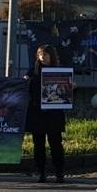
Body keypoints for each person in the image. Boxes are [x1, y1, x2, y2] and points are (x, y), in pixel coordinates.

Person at [25, 44, 69, 183]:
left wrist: (71, 87)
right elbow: (26, 89)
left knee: (55, 143)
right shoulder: (33, 71)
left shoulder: (58, 71)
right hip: (37, 112)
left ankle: (59, 172)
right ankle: (41, 171)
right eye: (40, 54)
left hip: (54, 113)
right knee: (38, 144)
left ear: (51, 56)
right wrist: (26, 81)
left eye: (45, 54)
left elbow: (65, 91)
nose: (42, 57)